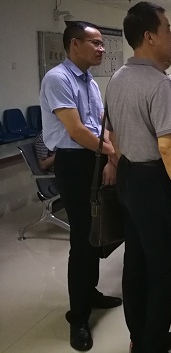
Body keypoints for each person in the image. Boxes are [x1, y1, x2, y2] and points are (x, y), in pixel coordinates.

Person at [106, 2, 171, 353]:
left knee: (137, 260)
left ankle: (139, 336)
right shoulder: (158, 83)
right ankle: (152, 343)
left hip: (128, 175)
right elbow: (168, 147)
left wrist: (121, 163)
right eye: (167, 29)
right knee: (166, 265)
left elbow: (112, 135)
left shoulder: (116, 79)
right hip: (153, 181)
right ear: (149, 36)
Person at [39, 21, 121, 352]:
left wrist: (110, 154)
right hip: (74, 162)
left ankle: (91, 292)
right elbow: (76, 131)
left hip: (94, 158)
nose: (102, 49)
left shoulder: (89, 81)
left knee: (96, 232)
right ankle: (79, 317)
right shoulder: (58, 78)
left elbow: (100, 123)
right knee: (82, 238)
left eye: (102, 44)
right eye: (95, 43)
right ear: (74, 45)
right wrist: (113, 153)